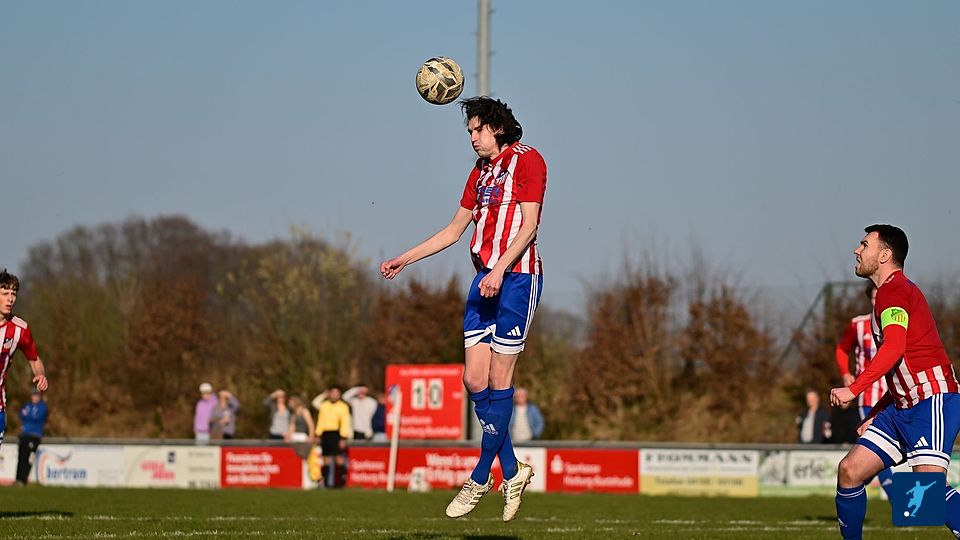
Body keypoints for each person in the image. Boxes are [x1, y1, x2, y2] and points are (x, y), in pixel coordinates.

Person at [380, 96, 546, 522]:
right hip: (484, 280)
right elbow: (455, 230)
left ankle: (478, 476)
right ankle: (513, 470)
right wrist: (405, 258)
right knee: (473, 379)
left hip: (517, 279)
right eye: (469, 131)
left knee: (499, 379)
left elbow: (529, 226)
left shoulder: (528, 161)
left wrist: (500, 269)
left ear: (498, 128)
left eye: (477, 129)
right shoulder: (479, 172)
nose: (472, 137)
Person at [830, 224, 960, 539]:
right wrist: (876, 412)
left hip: (931, 400)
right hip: (901, 407)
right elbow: (900, 367)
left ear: (884, 255)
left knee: (926, 490)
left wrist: (853, 389)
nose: (857, 250)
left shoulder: (895, 291)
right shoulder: (887, 296)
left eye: (864, 245)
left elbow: (893, 349)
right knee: (850, 471)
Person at [835, 282, 894, 496]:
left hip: (903, 396)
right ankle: (901, 504)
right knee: (877, 446)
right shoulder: (859, 325)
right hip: (870, 398)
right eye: (875, 297)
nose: (879, 301)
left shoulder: (900, 321)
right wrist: (846, 374)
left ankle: (853, 481)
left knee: (920, 457)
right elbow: (842, 349)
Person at [0, 270, 49, 449]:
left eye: (13, 294)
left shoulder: (20, 330)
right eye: (5, 293)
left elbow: (34, 360)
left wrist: (40, 374)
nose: (10, 299)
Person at [314, 386, 352, 488]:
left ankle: (341, 483)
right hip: (325, 434)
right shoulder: (324, 405)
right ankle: (325, 483)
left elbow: (345, 422)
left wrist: (343, 437)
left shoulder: (343, 406)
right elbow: (320, 421)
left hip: (337, 434)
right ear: (329, 393)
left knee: (338, 458)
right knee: (325, 459)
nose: (335, 395)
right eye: (333, 392)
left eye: (337, 393)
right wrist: (318, 434)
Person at [16, 389, 48, 485]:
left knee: (29, 458)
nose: (35, 397)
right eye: (33, 395)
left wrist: (28, 417)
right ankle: (18, 479)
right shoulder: (27, 405)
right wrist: (29, 417)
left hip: (35, 435)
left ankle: (23, 479)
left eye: (37, 395)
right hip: (24, 435)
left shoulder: (42, 406)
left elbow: (37, 418)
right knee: (21, 457)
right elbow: (21, 414)